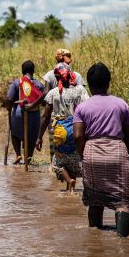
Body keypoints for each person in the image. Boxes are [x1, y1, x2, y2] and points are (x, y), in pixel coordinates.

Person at [73, 62, 129, 237]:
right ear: (108, 83)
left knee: (94, 199)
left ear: (90, 85)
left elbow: (78, 137)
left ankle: (95, 240)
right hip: (117, 152)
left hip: (92, 152)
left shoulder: (82, 107)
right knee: (121, 200)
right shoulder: (121, 104)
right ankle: (123, 241)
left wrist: (84, 155)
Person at [24, 49, 87, 162]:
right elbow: (84, 100)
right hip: (75, 120)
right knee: (74, 150)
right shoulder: (77, 76)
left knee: (55, 149)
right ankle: (71, 171)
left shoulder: (51, 74)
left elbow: (46, 94)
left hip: (55, 119)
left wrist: (33, 105)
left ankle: (56, 168)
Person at [36, 62, 89, 193]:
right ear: (71, 75)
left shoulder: (53, 93)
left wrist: (39, 137)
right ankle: (74, 187)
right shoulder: (80, 90)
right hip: (78, 129)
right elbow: (88, 109)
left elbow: (46, 116)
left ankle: (69, 181)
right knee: (76, 158)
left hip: (60, 131)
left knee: (58, 163)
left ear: (57, 77)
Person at [5, 60, 45, 164]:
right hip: (34, 117)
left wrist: (8, 106)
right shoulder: (39, 85)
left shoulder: (16, 83)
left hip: (19, 115)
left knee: (15, 134)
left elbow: (9, 100)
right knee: (31, 137)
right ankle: (28, 159)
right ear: (33, 71)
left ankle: (18, 154)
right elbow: (44, 101)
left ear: (22, 71)